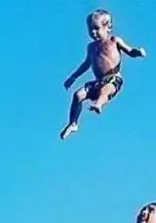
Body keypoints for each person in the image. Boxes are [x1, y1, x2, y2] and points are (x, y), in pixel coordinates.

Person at [60, 9, 147, 140]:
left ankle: (99, 104)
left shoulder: (114, 40)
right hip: (98, 81)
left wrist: (138, 52)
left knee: (105, 90)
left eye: (96, 28)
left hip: (113, 78)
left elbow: (129, 51)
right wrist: (73, 77)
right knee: (78, 95)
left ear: (108, 27)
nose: (93, 32)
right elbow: (86, 64)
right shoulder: (91, 47)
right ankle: (73, 123)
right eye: (90, 29)